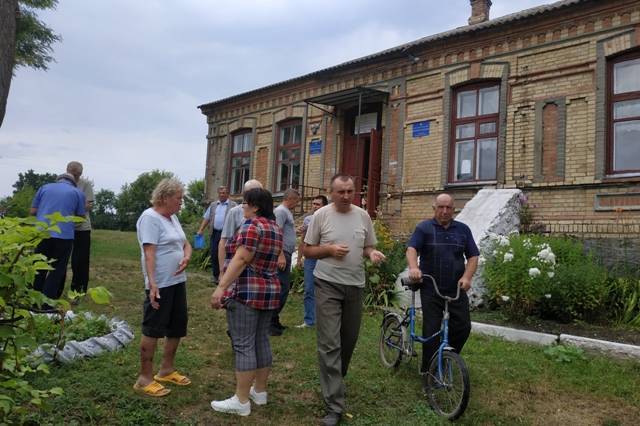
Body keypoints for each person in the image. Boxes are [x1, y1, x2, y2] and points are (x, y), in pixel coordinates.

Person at [304, 174, 386, 426]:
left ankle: (335, 380)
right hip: (327, 284)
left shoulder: (362, 216)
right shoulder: (321, 215)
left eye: (350, 191)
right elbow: (306, 250)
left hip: (355, 286)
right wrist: (328, 250)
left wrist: (372, 253)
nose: (346, 196)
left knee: (348, 341)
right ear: (331, 192)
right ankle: (334, 407)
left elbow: (367, 246)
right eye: (341, 191)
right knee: (330, 344)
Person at [210, 188, 283, 417]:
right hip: (269, 291)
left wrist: (221, 287)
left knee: (243, 343)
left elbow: (241, 258)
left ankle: (241, 401)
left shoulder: (252, 226)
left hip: (248, 292)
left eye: (245, 203)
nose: (242, 206)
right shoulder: (275, 228)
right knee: (261, 339)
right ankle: (259, 392)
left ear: (256, 206)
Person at [406, 193, 479, 378]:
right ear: (434, 208)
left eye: (448, 208)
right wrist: (414, 268)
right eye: (441, 207)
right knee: (431, 331)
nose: (444, 211)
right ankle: (427, 371)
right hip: (431, 288)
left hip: (456, 287)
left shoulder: (463, 230)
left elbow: (473, 256)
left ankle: (446, 356)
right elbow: (412, 249)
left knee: (463, 327)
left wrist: (467, 277)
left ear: (454, 209)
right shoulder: (424, 228)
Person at [133, 178, 192, 397]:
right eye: (179, 198)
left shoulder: (173, 217)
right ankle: (144, 378)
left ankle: (166, 370)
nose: (181, 203)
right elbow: (149, 252)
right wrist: (153, 283)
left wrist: (186, 256)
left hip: (178, 281)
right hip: (160, 283)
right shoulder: (150, 218)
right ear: (165, 198)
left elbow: (185, 243)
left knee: (177, 325)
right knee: (153, 327)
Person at [31, 168, 86, 303]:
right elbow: (81, 216)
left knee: (39, 267)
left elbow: (33, 211)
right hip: (64, 236)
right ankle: (46, 304)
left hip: (42, 233)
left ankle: (32, 300)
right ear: (73, 182)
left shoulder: (44, 187)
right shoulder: (77, 193)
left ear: (58, 179)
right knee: (57, 270)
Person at [295, 194, 329, 328]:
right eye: (313, 204)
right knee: (309, 289)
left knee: (325, 291)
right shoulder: (308, 219)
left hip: (325, 258)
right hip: (310, 259)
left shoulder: (329, 220)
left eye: (317, 204)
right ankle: (309, 320)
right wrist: (299, 258)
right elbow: (303, 241)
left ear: (324, 206)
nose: (314, 206)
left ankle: (325, 320)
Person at [270, 188, 300, 336]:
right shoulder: (281, 211)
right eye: (296, 200)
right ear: (291, 198)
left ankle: (274, 320)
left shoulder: (286, 212)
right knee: (282, 288)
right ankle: (270, 322)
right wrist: (280, 255)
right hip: (282, 255)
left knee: (283, 288)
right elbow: (277, 232)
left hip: (287, 253)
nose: (297, 204)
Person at [218, 180, 263, 275]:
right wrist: (222, 271)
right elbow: (223, 242)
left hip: (258, 268)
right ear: (245, 194)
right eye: (256, 192)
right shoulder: (234, 212)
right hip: (237, 265)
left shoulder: (264, 213)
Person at [196, 186, 237, 284]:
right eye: (220, 193)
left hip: (227, 234)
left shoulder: (234, 205)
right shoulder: (213, 205)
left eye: (224, 193)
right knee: (214, 254)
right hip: (215, 233)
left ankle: (226, 276)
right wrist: (201, 229)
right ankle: (215, 276)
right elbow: (207, 218)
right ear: (218, 194)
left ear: (228, 194)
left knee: (227, 254)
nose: (222, 194)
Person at [67, 161, 95, 295]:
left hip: (81, 227)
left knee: (80, 259)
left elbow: (89, 205)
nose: (76, 177)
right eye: (74, 174)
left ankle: (79, 289)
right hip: (64, 226)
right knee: (61, 259)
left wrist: (73, 206)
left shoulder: (85, 184)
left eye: (78, 175)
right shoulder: (60, 183)